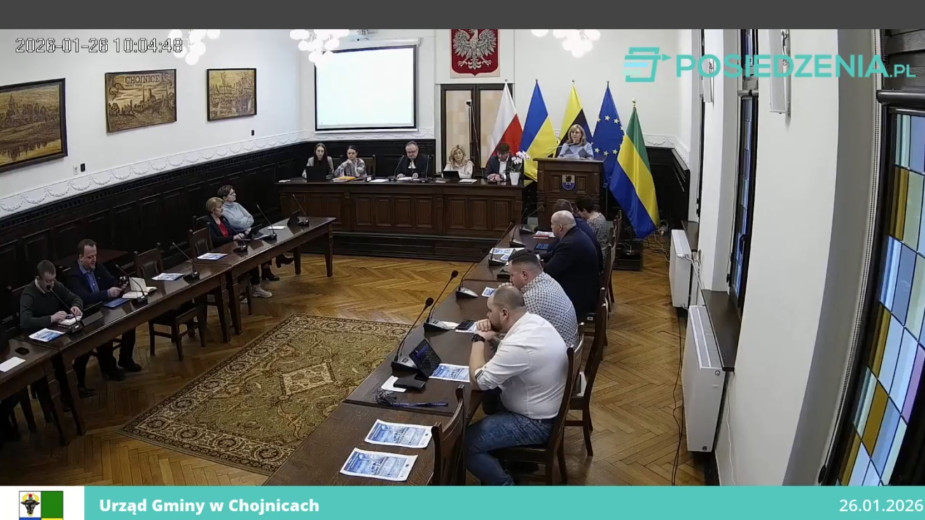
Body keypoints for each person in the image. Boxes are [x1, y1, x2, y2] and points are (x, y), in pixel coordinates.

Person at [466, 285, 568, 486]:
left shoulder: (519, 344)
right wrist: (493, 338)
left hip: (535, 423)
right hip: (546, 408)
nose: (487, 316)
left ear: (504, 313)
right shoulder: (535, 322)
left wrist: (478, 339)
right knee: (490, 402)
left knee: (466, 444)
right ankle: (516, 463)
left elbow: (478, 382)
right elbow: (514, 355)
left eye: (490, 311)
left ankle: (505, 485)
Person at [66, 239, 142, 380]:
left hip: (105, 307)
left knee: (130, 320)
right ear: (80, 257)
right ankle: (109, 368)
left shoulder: (97, 266)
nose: (93, 259)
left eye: (95, 255)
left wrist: (119, 285)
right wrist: (107, 293)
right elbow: (84, 298)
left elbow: (111, 280)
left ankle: (125, 359)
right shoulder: (73, 275)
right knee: (106, 330)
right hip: (89, 314)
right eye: (89, 257)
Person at [20, 260, 96, 397]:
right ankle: (68, 395)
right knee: (60, 361)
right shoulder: (28, 294)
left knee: (85, 345)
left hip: (59, 332)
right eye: (48, 281)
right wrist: (51, 318)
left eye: (53, 280)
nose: (51, 284)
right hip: (40, 342)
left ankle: (77, 383)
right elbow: (25, 321)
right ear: (38, 278)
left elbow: (75, 298)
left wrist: (76, 306)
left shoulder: (55, 285)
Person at [477, 249, 578, 348]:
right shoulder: (546, 279)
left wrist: (488, 332)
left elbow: (510, 336)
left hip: (558, 355)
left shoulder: (533, 298)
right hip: (566, 346)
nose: (510, 279)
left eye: (512, 275)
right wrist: (507, 292)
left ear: (524, 275)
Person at [217, 185, 289, 280]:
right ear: (224, 197)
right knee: (260, 244)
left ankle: (270, 265)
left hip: (249, 230)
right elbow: (236, 223)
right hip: (240, 234)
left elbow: (250, 217)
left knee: (268, 240)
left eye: (234, 192)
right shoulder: (224, 210)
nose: (235, 194)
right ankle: (267, 269)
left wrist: (244, 222)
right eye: (232, 193)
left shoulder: (237, 205)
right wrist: (245, 221)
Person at [205, 197, 273, 298]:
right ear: (212, 210)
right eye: (220, 207)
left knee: (252, 258)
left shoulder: (223, 219)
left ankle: (256, 288)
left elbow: (232, 231)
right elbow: (215, 240)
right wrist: (233, 238)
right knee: (242, 263)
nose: (222, 209)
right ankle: (240, 291)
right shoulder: (208, 223)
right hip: (220, 253)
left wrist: (243, 233)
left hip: (231, 248)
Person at [542, 211, 600, 321]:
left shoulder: (569, 244)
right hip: (585, 288)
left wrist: (533, 266)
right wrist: (536, 256)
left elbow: (549, 271)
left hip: (578, 297)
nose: (550, 227)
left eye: (552, 224)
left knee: (539, 293)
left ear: (560, 227)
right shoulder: (576, 234)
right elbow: (556, 254)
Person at [551, 199, 602, 271]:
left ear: (560, 225)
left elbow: (554, 253)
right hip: (593, 267)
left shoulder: (568, 239)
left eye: (552, 223)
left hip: (585, 272)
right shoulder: (578, 225)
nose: (551, 226)